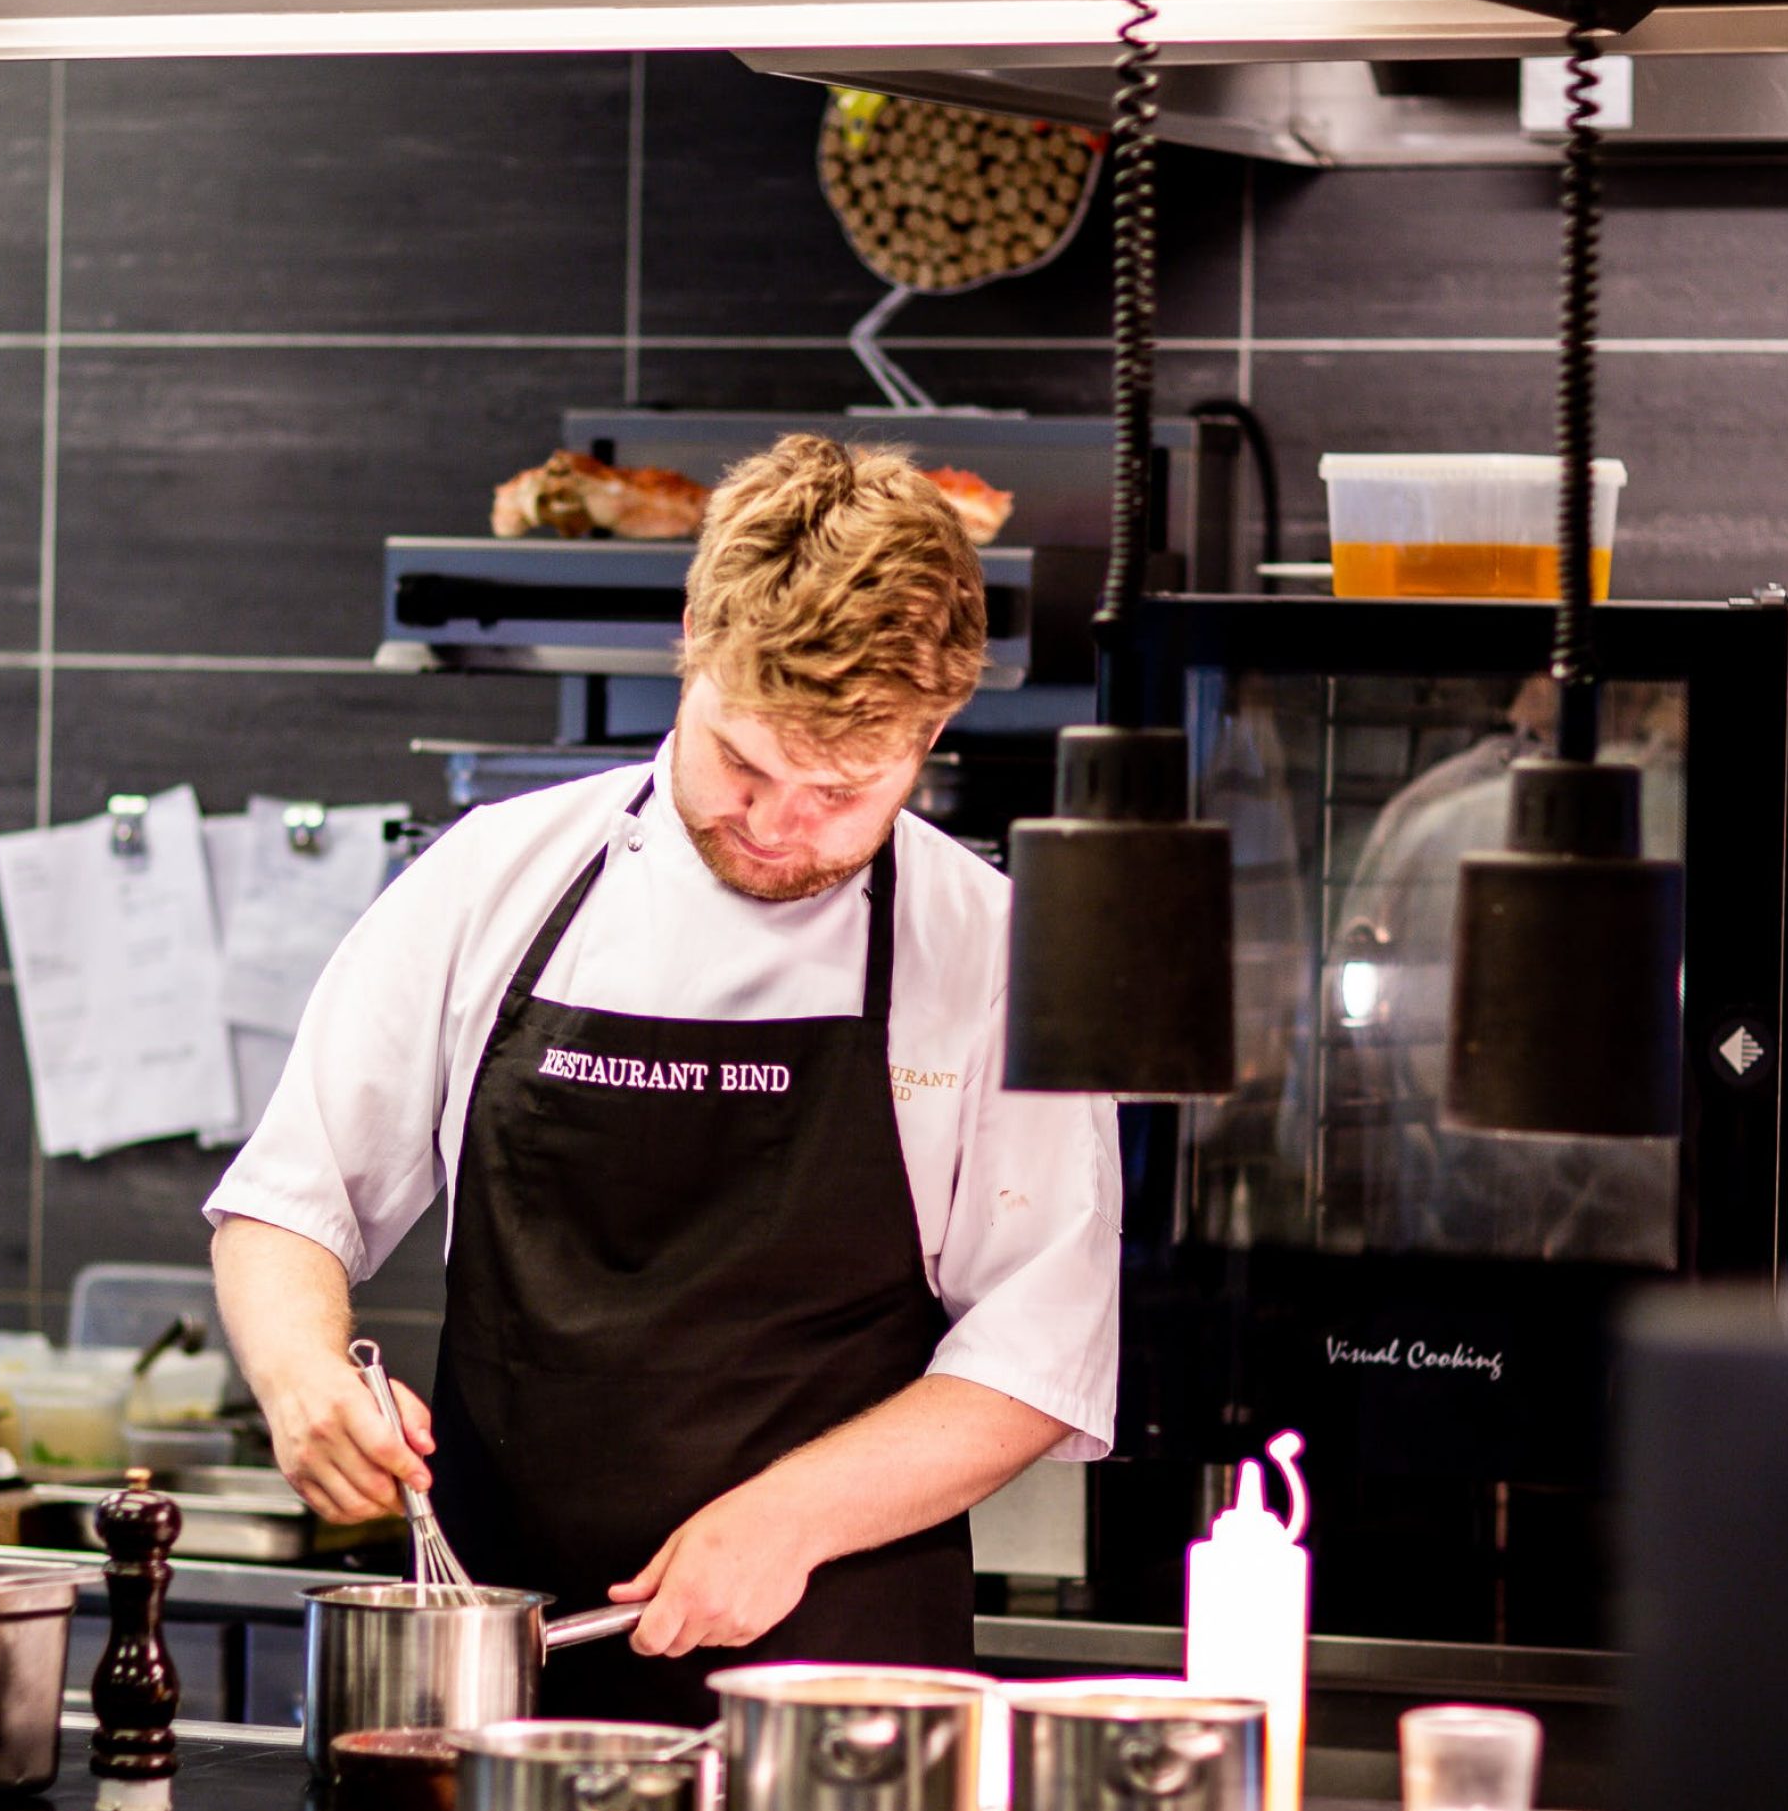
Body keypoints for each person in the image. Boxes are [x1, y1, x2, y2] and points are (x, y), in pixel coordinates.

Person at [208, 433, 1121, 1722]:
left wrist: (789, 1519)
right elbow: (290, 1201)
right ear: (693, 637)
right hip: (498, 1672)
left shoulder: (990, 952)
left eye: (843, 791)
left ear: (935, 726)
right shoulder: (495, 880)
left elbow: (1038, 1355)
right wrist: (302, 1373)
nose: (777, 824)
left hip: (836, 1700)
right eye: (743, 763)